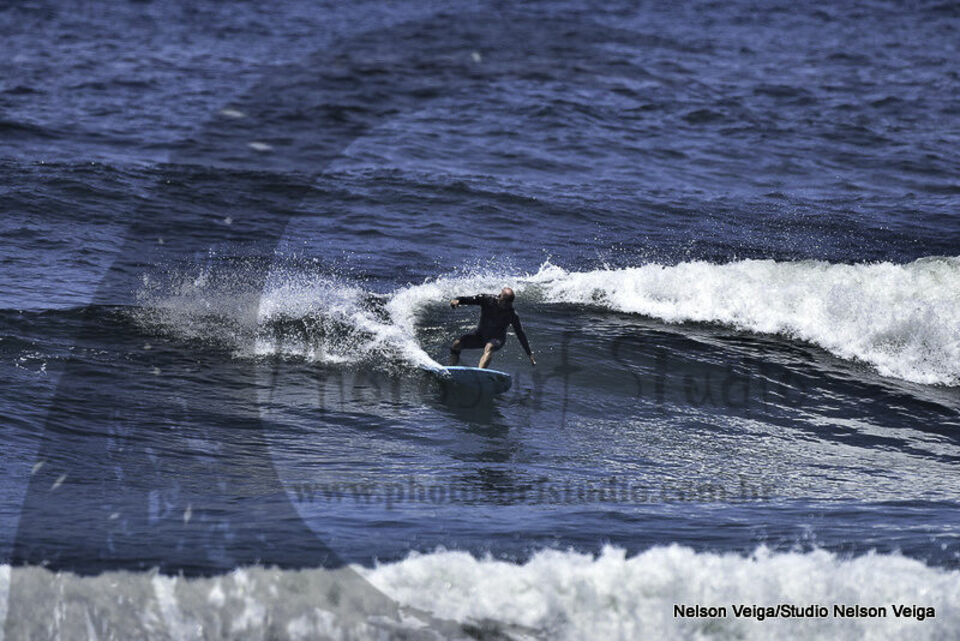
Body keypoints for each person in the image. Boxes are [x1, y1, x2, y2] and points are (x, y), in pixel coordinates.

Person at [449, 287, 536, 369]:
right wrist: (457, 300)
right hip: (480, 336)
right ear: (499, 296)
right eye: (503, 301)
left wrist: (529, 354)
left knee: (489, 347)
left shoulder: (512, 314)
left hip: (497, 339)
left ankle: (480, 372)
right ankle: (451, 370)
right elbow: (469, 299)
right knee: (456, 345)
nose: (505, 305)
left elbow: (520, 334)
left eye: (508, 303)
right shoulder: (486, 299)